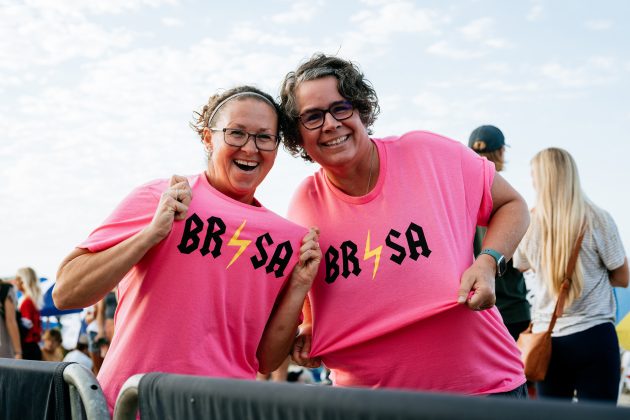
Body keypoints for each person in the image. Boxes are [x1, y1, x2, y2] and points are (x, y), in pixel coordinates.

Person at [53, 85, 322, 411]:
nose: (250, 148)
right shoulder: (163, 197)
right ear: (209, 138)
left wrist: (298, 287)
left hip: (223, 410)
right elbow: (66, 293)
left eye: (264, 137)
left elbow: (266, 360)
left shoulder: (285, 239)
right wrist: (152, 234)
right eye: (236, 133)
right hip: (133, 405)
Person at [279, 53, 530, 397]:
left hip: (483, 391)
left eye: (341, 107)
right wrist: (310, 327)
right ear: (298, 135)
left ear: (361, 110)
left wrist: (488, 261)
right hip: (370, 403)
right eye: (312, 116)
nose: (330, 124)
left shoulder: (429, 154)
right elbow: (310, 299)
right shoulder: (303, 205)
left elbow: (512, 205)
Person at [513, 147, 629, 403]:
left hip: (548, 342)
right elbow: (623, 277)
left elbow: (520, 265)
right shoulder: (598, 218)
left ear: (540, 180)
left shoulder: (529, 224)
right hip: (594, 335)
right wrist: (591, 276)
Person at [469, 125, 531, 340]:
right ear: (502, 152)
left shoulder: (461, 202)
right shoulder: (511, 202)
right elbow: (524, 260)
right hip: (513, 309)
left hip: (475, 308)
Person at [15, 267, 42, 360]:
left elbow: (26, 325)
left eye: (17, 278)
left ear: (23, 281)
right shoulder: (30, 300)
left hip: (27, 347)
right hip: (31, 346)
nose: (15, 281)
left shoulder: (27, 301)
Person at [0, 280, 23, 359]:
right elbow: (11, 321)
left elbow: (11, 321)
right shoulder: (5, 289)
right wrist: (18, 352)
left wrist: (18, 352)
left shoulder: (5, 289)